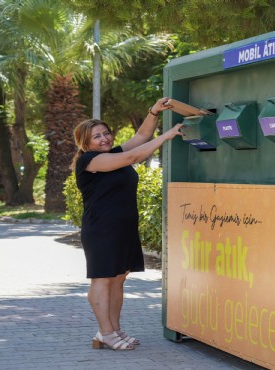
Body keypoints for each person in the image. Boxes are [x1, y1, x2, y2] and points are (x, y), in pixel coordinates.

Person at [72, 97, 184, 350]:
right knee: (102, 279)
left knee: (118, 278)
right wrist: (167, 136)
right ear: (86, 143)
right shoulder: (89, 161)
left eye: (106, 133)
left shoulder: (112, 153)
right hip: (101, 229)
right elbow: (134, 155)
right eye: (97, 137)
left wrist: (154, 111)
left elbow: (141, 137)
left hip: (123, 228)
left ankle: (114, 330)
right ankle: (105, 332)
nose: (104, 139)